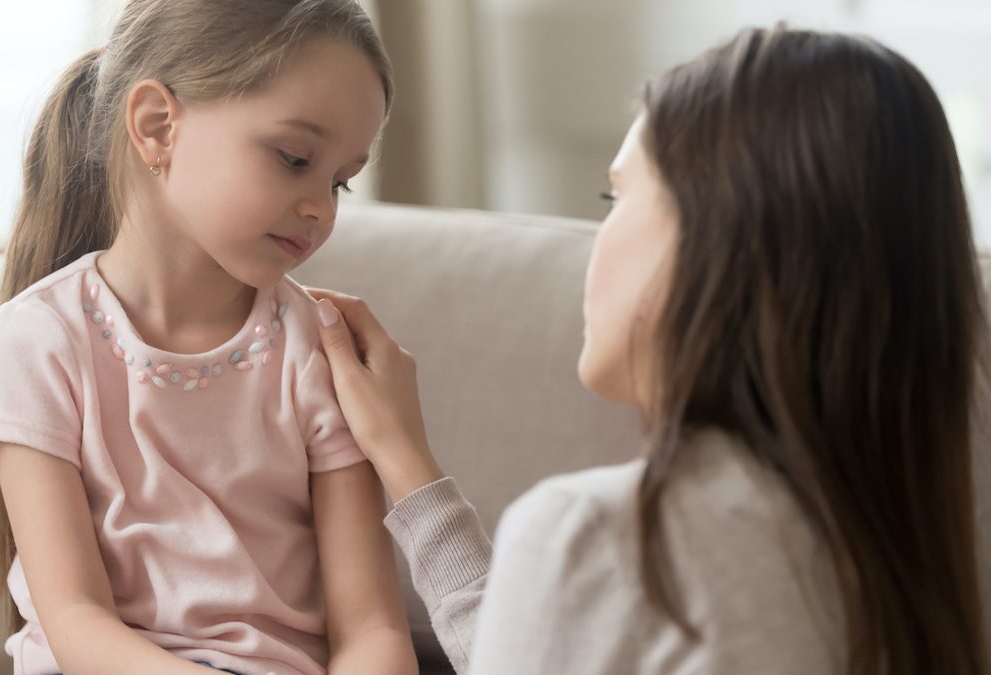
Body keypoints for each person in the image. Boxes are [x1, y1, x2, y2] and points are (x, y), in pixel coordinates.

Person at [310, 25, 989, 675]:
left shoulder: (598, 535)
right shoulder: (908, 552)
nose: (597, 243)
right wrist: (408, 463)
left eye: (618, 196)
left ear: (716, 240)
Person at [0, 2, 415, 674]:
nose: (321, 207)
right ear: (157, 126)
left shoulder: (320, 349)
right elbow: (76, 618)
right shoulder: (37, 341)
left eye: (340, 181)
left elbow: (370, 627)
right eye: (294, 158)